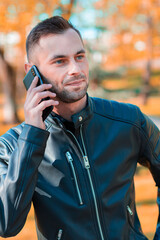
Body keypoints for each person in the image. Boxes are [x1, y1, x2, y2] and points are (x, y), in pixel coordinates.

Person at [0, 16, 159, 240]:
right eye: (60, 61)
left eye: (80, 56)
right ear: (31, 72)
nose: (75, 69)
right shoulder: (13, 145)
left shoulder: (129, 120)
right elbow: (6, 225)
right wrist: (32, 136)